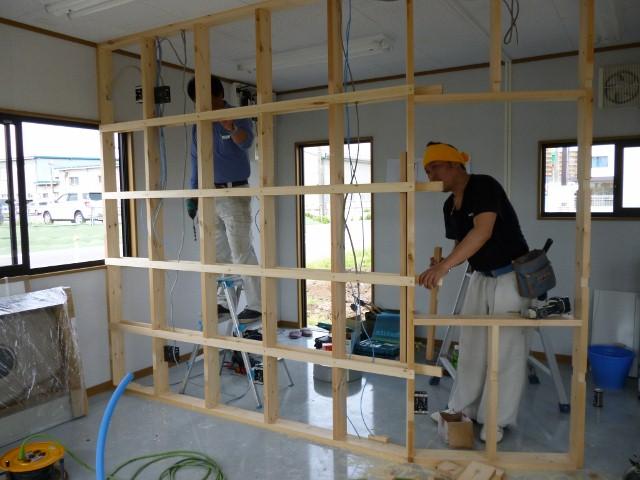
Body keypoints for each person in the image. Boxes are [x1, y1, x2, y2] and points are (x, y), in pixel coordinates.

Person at [417, 141, 530, 443]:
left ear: (455, 164)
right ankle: (461, 410)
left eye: (435, 167)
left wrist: (444, 267)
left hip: (511, 277)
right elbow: (462, 243)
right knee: (470, 346)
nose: (431, 176)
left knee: (504, 351)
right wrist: (445, 263)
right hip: (480, 277)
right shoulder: (449, 205)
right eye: (427, 171)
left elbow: (482, 231)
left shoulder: (483, 186)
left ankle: (496, 420)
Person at [186, 75, 261, 323]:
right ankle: (224, 304)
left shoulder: (236, 114)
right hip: (208, 195)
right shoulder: (199, 124)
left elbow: (247, 142)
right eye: (198, 101)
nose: (203, 106)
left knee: (240, 250)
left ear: (219, 95)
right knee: (217, 254)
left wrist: (231, 128)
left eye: (207, 100)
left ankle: (257, 305)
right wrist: (193, 194)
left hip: (234, 192)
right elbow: (196, 161)